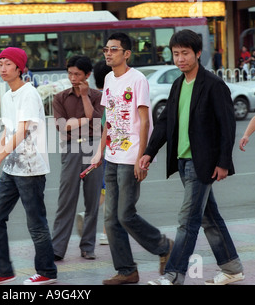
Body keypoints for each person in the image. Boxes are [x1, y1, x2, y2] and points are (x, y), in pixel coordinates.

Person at [139, 29, 244, 285]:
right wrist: (149, 152)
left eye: (185, 53)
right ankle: (232, 268)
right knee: (210, 217)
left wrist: (223, 163)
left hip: (204, 163)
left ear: (198, 54)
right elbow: (164, 123)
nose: (180, 59)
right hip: (184, 161)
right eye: (176, 54)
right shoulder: (177, 85)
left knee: (187, 221)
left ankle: (173, 275)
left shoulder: (213, 85)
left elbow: (227, 127)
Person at [90, 33, 173, 285]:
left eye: (113, 49)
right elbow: (109, 119)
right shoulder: (107, 78)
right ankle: (127, 270)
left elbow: (146, 121)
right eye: (106, 49)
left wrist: (142, 158)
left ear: (126, 53)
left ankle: (164, 245)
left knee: (125, 214)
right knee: (110, 218)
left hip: (130, 156)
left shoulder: (137, 80)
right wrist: (99, 151)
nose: (108, 53)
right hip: (112, 156)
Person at [0, 47, 57, 285]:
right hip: (11, 168)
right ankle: (3, 270)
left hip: (31, 168)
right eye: (0, 63)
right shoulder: (7, 95)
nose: (3, 68)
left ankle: (47, 272)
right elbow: (8, 129)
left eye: (8, 64)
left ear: (19, 68)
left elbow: (23, 130)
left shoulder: (28, 94)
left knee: (36, 223)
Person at [51, 55, 104, 261]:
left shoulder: (97, 96)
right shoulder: (60, 98)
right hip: (71, 149)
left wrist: (84, 97)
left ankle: (88, 246)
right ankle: (57, 247)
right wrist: (85, 121)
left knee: (92, 202)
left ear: (87, 75)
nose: (73, 78)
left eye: (77, 74)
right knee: (66, 200)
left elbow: (98, 123)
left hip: (93, 149)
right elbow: (62, 126)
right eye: (70, 73)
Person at [92, 60, 112, 245]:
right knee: (111, 194)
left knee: (105, 191)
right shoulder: (110, 94)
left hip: (103, 150)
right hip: (112, 151)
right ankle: (106, 233)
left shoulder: (98, 96)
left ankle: (88, 213)